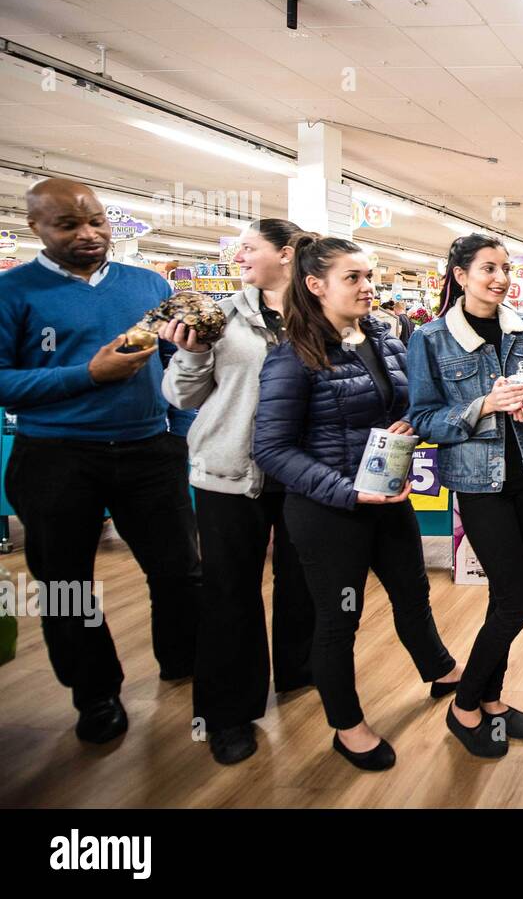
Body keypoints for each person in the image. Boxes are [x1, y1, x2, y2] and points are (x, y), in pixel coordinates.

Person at [0, 178, 201, 744]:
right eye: (68, 225)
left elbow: (176, 362)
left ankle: (184, 660)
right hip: (55, 457)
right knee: (67, 584)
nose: (88, 234)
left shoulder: (147, 284)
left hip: (148, 450)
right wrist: (87, 374)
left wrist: (181, 434)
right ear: (36, 225)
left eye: (96, 221)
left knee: (179, 569)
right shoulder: (12, 292)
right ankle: (96, 694)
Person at [253, 235, 462, 772]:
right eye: (354, 278)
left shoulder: (385, 341)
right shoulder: (290, 358)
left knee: (412, 594)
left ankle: (439, 671)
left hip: (387, 497)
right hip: (329, 512)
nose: (368, 287)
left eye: (369, 276)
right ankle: (348, 726)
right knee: (339, 619)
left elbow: (410, 406)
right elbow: (271, 449)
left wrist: (411, 425)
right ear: (315, 285)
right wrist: (347, 491)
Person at [160, 218, 315, 766]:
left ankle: (302, 671)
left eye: (250, 248)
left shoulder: (323, 313)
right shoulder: (219, 317)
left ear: (288, 254)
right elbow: (180, 397)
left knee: (304, 584)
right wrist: (193, 352)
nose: (239, 257)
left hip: (303, 475)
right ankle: (228, 714)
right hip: (229, 473)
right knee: (230, 595)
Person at [407, 234, 523, 760]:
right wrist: (482, 406)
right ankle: (465, 704)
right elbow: (425, 419)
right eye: (487, 269)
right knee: (519, 601)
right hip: (479, 483)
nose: (500, 278)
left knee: (504, 596)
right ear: (459, 275)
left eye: (505, 268)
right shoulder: (430, 339)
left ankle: (493, 699)